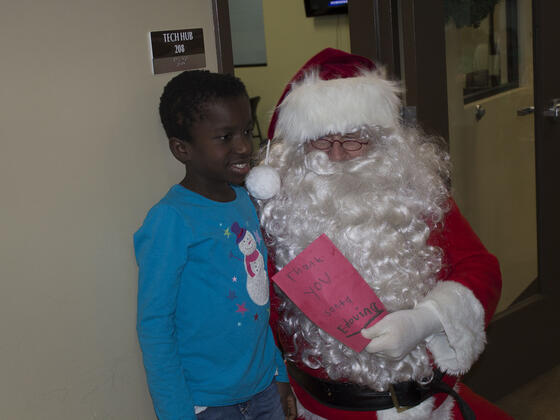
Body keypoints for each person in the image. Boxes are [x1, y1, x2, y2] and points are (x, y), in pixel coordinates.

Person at [246, 48, 513, 419]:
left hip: (430, 405)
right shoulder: (276, 216)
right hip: (322, 411)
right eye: (322, 141)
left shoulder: (418, 198)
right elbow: (258, 320)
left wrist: (424, 321)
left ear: (382, 142)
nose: (337, 155)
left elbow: (482, 270)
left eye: (353, 139)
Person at [134, 70, 296, 420]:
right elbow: (155, 327)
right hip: (207, 404)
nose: (243, 146)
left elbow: (261, 303)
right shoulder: (170, 220)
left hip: (264, 389)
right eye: (225, 137)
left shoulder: (246, 201)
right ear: (182, 149)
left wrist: (278, 372)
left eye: (245, 131)